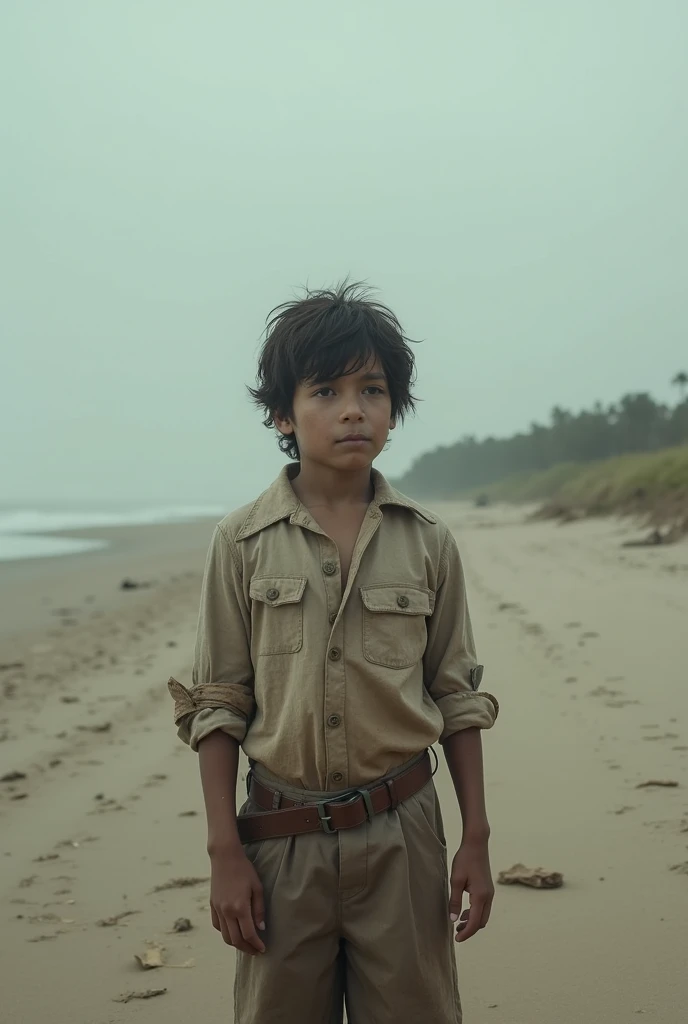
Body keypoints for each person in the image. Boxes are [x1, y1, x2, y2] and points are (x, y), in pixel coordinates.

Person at [168, 281, 499, 1023]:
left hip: (404, 835)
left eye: (373, 389)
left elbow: (457, 697)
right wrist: (225, 852)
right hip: (279, 842)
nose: (353, 408)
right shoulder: (241, 543)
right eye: (326, 390)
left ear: (394, 408)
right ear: (283, 413)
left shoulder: (428, 543)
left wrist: (474, 836)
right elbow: (217, 702)